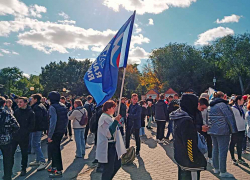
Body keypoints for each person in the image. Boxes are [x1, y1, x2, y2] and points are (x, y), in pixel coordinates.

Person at [170, 94, 207, 180]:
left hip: (180, 156)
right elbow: (189, 143)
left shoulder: (179, 116)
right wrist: (194, 160)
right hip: (188, 161)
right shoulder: (186, 120)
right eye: (196, 103)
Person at [208, 91, 237, 178]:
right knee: (223, 151)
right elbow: (230, 118)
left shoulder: (211, 105)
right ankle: (223, 171)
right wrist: (234, 130)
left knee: (215, 149)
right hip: (223, 131)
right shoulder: (223, 105)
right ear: (223, 96)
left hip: (212, 130)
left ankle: (216, 168)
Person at [96, 100, 126, 180]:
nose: (115, 109)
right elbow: (108, 133)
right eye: (113, 107)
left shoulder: (109, 117)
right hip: (108, 147)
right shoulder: (104, 118)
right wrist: (116, 121)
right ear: (108, 108)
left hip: (113, 146)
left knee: (117, 165)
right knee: (108, 169)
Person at [47, 91, 69, 178]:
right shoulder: (62, 106)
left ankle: (58, 170)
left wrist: (50, 135)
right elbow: (66, 119)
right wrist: (64, 129)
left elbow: (53, 122)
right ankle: (54, 167)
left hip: (55, 132)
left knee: (55, 151)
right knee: (54, 149)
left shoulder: (52, 107)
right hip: (61, 130)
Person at [12, 97, 35, 176]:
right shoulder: (16, 111)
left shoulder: (30, 112)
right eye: (18, 102)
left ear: (26, 103)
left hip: (24, 136)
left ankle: (23, 168)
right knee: (11, 153)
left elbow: (32, 125)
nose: (19, 104)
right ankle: (9, 169)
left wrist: (26, 131)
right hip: (15, 135)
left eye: (20, 102)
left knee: (24, 153)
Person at [0, 96, 19, 180]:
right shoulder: (7, 114)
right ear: (4, 104)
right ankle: (7, 176)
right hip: (6, 139)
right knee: (7, 158)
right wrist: (9, 131)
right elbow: (16, 126)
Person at [29, 94, 48, 171]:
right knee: (37, 144)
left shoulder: (37, 107)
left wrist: (32, 127)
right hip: (39, 128)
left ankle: (42, 161)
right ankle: (38, 160)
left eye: (32, 98)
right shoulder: (41, 105)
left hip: (37, 128)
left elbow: (37, 119)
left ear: (35, 99)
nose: (31, 100)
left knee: (35, 144)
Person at [230, 95, 248, 165]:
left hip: (242, 128)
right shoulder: (233, 108)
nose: (243, 101)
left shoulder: (242, 108)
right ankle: (233, 158)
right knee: (233, 143)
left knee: (240, 143)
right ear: (238, 100)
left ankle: (239, 158)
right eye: (242, 100)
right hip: (236, 129)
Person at [199, 93, 213, 164]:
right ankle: (203, 157)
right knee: (202, 143)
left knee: (209, 143)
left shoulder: (209, 107)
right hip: (202, 127)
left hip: (208, 127)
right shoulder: (199, 107)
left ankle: (210, 157)